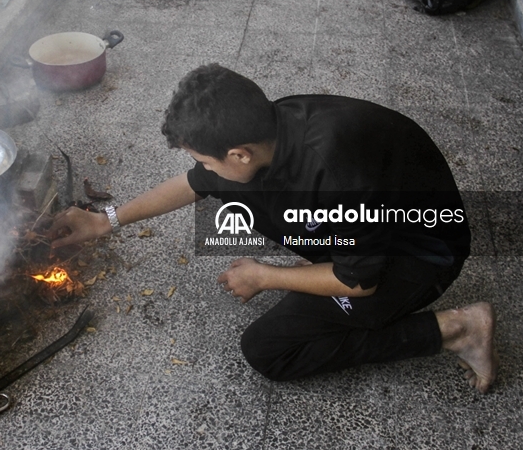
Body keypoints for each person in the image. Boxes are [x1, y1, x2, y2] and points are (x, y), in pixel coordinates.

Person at [49, 64, 498, 393]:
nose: (201, 169)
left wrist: (265, 276)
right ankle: (330, 255)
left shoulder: (333, 173)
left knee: (269, 350)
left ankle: (458, 329)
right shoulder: (265, 129)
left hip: (419, 252)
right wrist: (104, 221)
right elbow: (191, 185)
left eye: (205, 159)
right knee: (237, 194)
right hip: (361, 224)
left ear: (239, 153)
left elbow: (358, 282)